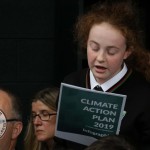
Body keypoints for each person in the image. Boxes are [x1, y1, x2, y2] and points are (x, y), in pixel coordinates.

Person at [60, 0, 150, 150]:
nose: (100, 58)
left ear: (127, 51)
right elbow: (61, 143)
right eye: (94, 47)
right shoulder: (72, 83)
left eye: (111, 51)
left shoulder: (144, 96)